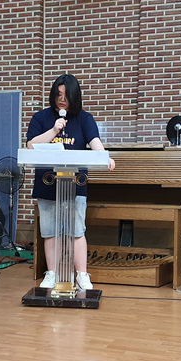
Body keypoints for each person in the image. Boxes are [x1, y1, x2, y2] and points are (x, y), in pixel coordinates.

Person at [27, 74, 115, 290]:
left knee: (77, 230)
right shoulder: (41, 118)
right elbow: (31, 146)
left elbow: (95, 142)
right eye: (58, 94)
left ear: (75, 96)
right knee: (50, 231)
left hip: (75, 184)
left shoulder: (84, 119)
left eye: (66, 95)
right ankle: (52, 273)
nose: (61, 99)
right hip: (47, 183)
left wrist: (105, 157)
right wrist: (54, 130)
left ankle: (82, 275)